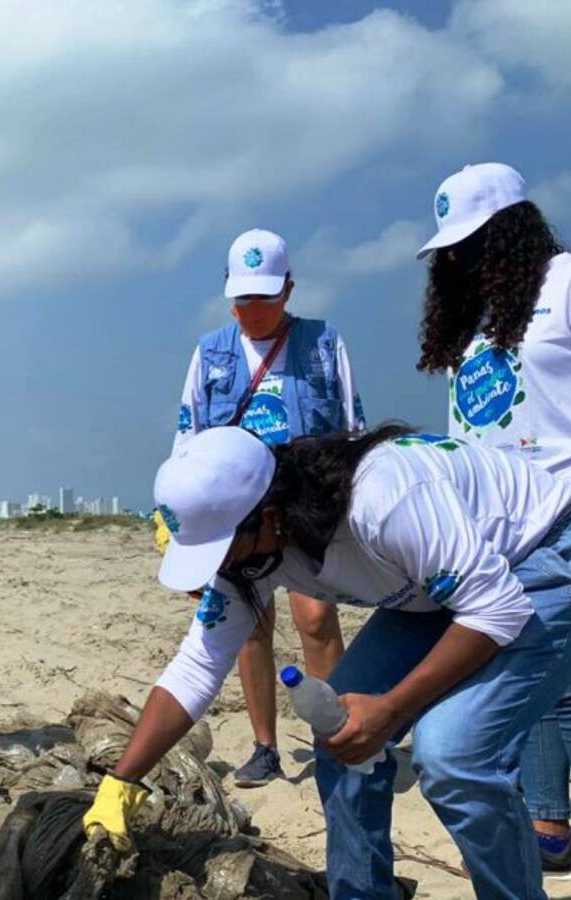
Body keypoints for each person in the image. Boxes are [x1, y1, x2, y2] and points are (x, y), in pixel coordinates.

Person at [83, 425, 571, 899]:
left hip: (547, 556)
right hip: (438, 592)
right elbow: (198, 666)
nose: (216, 572)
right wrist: (122, 781)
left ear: (268, 518)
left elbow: (495, 608)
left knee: (452, 756)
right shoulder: (258, 548)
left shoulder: (381, 502)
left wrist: (392, 710)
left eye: (220, 553)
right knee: (338, 733)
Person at [416, 162, 571, 881]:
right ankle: (547, 825)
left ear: (514, 228)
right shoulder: (477, 322)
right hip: (498, 525)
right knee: (535, 680)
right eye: (450, 249)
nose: (459, 258)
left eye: (473, 241)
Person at [173, 228, 365, 787]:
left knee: (315, 617)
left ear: (288, 290)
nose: (251, 310)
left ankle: (334, 734)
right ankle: (264, 747)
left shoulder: (324, 343)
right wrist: (180, 525)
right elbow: (187, 433)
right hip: (237, 512)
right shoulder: (210, 352)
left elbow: (352, 425)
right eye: (241, 299)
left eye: (263, 298)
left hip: (306, 506)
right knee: (249, 622)